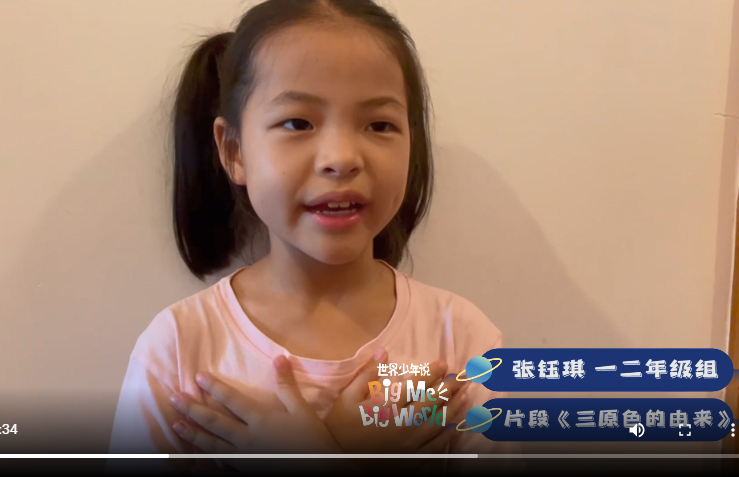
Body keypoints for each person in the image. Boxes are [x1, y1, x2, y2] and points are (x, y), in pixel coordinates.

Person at [108, 0, 512, 473]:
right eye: (297, 123)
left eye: (379, 125)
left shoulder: (460, 341)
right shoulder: (181, 349)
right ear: (234, 151)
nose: (341, 158)